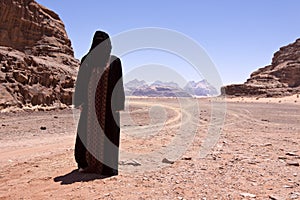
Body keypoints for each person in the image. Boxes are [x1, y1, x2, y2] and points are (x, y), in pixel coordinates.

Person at [73, 31, 125, 176]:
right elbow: (81, 82)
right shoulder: (86, 60)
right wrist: (80, 101)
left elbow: (118, 85)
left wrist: (119, 104)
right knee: (86, 133)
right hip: (90, 107)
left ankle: (107, 166)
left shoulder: (115, 61)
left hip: (109, 108)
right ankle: (85, 163)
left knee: (108, 134)